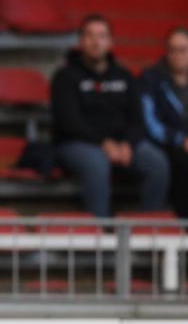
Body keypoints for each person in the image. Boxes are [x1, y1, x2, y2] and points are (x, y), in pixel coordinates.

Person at [52, 14, 170, 218]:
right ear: (81, 41)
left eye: (102, 36)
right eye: (90, 36)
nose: (96, 42)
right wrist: (103, 143)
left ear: (110, 41)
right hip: (78, 143)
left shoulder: (124, 76)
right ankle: (101, 236)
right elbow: (69, 122)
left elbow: (137, 119)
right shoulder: (65, 77)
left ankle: (147, 227)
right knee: (97, 163)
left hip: (121, 144)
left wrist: (126, 144)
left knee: (158, 163)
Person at [140, 27, 188, 218]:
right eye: (172, 49)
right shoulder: (151, 79)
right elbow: (150, 122)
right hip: (164, 143)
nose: (176, 55)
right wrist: (179, 139)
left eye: (182, 49)